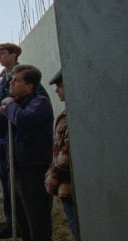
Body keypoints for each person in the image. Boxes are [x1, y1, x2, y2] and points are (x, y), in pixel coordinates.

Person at [0, 64, 54, 241]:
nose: (10, 83)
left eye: (16, 80)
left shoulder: (40, 103)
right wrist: (2, 111)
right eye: (11, 79)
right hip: (16, 169)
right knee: (22, 222)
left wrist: (10, 107)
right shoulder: (14, 105)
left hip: (34, 170)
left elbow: (25, 120)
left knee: (37, 222)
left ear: (30, 86)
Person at [0, 42, 21, 238]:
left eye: (3, 53)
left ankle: (20, 224)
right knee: (6, 182)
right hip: (4, 138)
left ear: (14, 55)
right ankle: (10, 222)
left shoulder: (21, 77)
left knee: (16, 184)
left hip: (17, 138)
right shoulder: (3, 80)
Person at [45, 69, 79, 240]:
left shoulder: (75, 115)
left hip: (71, 185)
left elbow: (66, 154)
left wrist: (53, 175)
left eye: (60, 86)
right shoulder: (67, 114)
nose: (57, 90)